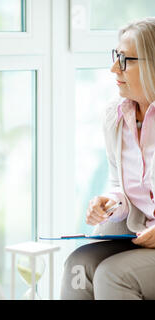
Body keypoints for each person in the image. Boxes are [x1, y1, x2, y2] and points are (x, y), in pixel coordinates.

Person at [61, 17, 155, 300]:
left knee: (113, 275)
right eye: (116, 57)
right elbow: (123, 187)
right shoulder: (116, 117)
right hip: (140, 233)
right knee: (78, 266)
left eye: (125, 60)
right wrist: (109, 204)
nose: (114, 68)